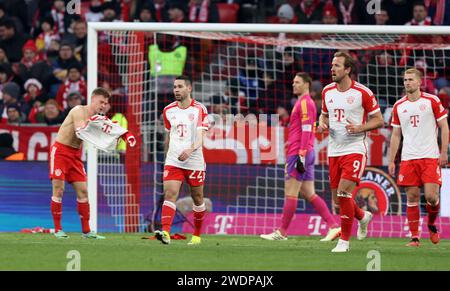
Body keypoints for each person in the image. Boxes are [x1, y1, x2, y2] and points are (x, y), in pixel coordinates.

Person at [260, 73, 341, 242]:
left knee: (291, 192)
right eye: (293, 82)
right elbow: (309, 127)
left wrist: (301, 154)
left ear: (306, 84)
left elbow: (305, 130)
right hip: (307, 151)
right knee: (309, 193)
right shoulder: (305, 103)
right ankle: (334, 226)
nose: (293, 85)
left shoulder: (304, 103)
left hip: (299, 152)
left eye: (297, 82)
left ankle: (282, 232)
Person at [318, 51, 384, 252]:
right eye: (332, 65)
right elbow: (324, 116)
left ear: (347, 70)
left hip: (355, 148)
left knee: (344, 192)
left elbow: (379, 120)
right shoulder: (327, 91)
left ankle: (344, 242)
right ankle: (363, 216)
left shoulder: (362, 92)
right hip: (334, 150)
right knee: (338, 202)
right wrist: (322, 123)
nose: (332, 69)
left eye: (337, 66)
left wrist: (360, 127)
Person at [49, 87, 134, 239]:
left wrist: (122, 135)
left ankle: (86, 231)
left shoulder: (98, 118)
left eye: (106, 103)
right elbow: (80, 130)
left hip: (75, 155)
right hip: (61, 152)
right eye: (101, 102)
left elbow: (106, 128)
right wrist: (99, 126)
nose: (103, 106)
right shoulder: (78, 110)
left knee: (83, 191)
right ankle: (58, 230)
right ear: (93, 98)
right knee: (59, 190)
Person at [389, 68, 448, 247]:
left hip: (430, 156)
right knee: (412, 197)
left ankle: (431, 223)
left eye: (411, 80)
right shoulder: (399, 105)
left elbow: (444, 127)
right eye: (405, 80)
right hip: (408, 158)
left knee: (431, 196)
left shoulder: (432, 101)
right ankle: (415, 237)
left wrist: (444, 151)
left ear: (419, 82)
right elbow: (396, 135)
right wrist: (392, 159)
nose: (407, 83)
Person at [155, 75, 209, 245]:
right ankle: (166, 232)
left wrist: (190, 149)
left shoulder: (199, 109)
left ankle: (197, 235)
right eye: (174, 87)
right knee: (170, 194)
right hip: (174, 160)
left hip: (194, 160)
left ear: (189, 88)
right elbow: (169, 135)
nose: (176, 90)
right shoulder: (168, 110)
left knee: (198, 197)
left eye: (179, 87)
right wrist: (166, 156)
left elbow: (201, 136)